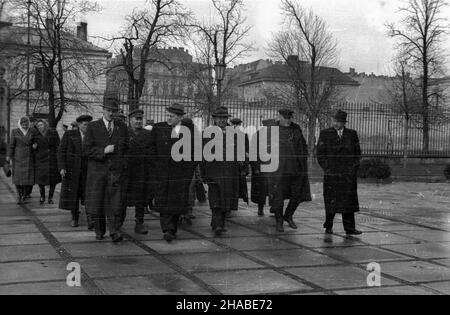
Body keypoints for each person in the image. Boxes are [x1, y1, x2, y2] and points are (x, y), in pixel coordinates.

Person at [84, 93, 129, 242]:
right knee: (98, 202)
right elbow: (86, 150)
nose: (111, 113)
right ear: (103, 110)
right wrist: (103, 151)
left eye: (113, 111)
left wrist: (122, 166)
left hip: (115, 173)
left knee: (115, 203)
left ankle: (114, 231)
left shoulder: (121, 127)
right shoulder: (92, 127)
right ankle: (99, 230)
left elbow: (126, 148)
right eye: (108, 110)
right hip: (97, 173)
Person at [149, 103, 197, 242]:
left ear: (180, 117)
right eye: (168, 115)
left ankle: (172, 228)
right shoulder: (158, 128)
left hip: (179, 175)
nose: (168, 118)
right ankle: (167, 229)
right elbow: (151, 148)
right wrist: (156, 166)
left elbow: (194, 154)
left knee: (175, 203)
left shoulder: (188, 131)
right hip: (162, 173)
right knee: (163, 201)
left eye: (172, 116)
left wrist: (187, 172)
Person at [317, 110, 362, 236]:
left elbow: (357, 154)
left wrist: (353, 169)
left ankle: (350, 228)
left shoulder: (352, 134)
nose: (336, 123)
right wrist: (327, 169)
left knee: (348, 202)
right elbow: (320, 154)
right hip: (332, 174)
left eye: (339, 122)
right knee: (331, 201)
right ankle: (329, 226)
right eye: (335, 121)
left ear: (344, 123)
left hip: (348, 175)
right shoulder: (325, 133)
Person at [267, 109, 312, 232]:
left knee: (297, 195)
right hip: (278, 170)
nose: (287, 120)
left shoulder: (296, 130)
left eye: (289, 118)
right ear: (279, 117)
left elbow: (303, 148)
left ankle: (288, 215)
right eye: (285, 117)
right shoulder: (272, 130)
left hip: (295, 169)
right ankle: (279, 221)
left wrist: (302, 164)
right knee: (278, 197)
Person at [201, 107, 241, 237]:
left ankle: (219, 223)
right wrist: (204, 172)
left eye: (224, 118)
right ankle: (218, 224)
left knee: (226, 198)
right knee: (215, 197)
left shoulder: (233, 133)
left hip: (229, 171)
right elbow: (202, 154)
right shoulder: (208, 132)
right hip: (213, 171)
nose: (222, 120)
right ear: (215, 119)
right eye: (219, 118)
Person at [58, 115, 93, 228]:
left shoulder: (92, 136)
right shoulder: (69, 135)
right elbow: (61, 151)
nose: (87, 127)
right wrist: (62, 167)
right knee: (73, 194)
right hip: (72, 170)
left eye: (88, 124)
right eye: (84, 125)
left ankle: (90, 218)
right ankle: (74, 217)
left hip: (87, 171)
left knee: (88, 195)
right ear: (79, 125)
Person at [125, 109, 151, 235]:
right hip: (127, 172)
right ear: (130, 120)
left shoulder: (147, 134)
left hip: (142, 171)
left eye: (140, 119)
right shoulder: (124, 133)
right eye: (136, 119)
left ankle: (139, 223)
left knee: (141, 199)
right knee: (123, 198)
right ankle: (118, 223)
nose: (139, 121)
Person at [6, 117, 35, 204]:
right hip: (18, 157)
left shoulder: (32, 131)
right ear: (20, 124)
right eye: (23, 124)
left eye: (26, 124)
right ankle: (19, 195)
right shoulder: (15, 131)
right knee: (18, 178)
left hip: (29, 157)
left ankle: (24, 195)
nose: (25, 126)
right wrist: (8, 155)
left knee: (27, 179)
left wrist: (35, 144)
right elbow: (11, 145)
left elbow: (35, 141)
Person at [250, 119, 276, 216]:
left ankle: (274, 207)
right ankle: (260, 208)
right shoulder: (257, 136)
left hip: (274, 167)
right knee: (261, 189)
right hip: (261, 167)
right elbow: (253, 152)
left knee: (274, 188)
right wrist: (255, 167)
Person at [33, 119, 61, 205]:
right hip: (41, 160)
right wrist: (34, 147)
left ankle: (50, 198)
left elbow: (58, 145)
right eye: (38, 126)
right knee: (41, 180)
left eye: (41, 125)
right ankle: (42, 197)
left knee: (53, 180)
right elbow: (33, 147)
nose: (40, 127)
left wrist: (58, 157)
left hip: (52, 159)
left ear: (45, 125)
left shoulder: (53, 132)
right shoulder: (36, 135)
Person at [229, 118, 249, 216]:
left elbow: (246, 150)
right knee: (233, 186)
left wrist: (245, 165)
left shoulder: (242, 135)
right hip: (233, 163)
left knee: (234, 186)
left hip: (236, 164)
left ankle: (232, 206)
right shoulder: (239, 134)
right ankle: (231, 206)